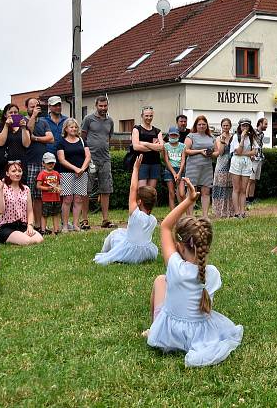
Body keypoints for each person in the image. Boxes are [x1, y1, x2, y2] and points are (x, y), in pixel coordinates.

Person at [144, 177, 243, 367]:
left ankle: (153, 328)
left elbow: (165, 226)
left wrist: (188, 201)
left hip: (170, 335)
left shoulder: (175, 266)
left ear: (180, 246)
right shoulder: (211, 272)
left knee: (160, 280)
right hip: (200, 335)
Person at [93, 155, 158, 265]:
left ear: (139, 201)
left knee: (115, 234)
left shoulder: (135, 214)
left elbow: (133, 188)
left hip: (130, 252)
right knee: (123, 232)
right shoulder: (153, 220)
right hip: (146, 252)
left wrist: (136, 169)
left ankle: (105, 252)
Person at [81, 96, 115, 229]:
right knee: (86, 190)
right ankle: (84, 220)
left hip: (105, 159)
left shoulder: (110, 121)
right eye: (100, 106)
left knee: (106, 189)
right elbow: (82, 138)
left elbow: (109, 137)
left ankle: (105, 220)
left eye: (105, 106)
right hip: (90, 159)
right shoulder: (88, 119)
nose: (103, 108)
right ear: (96, 105)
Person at [0, 161, 44, 246]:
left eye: (19, 171)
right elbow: (0, 211)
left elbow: (30, 211)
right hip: (6, 226)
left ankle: (19, 236)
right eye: (13, 171)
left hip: (22, 225)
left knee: (39, 239)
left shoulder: (26, 189)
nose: (17, 173)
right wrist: (0, 190)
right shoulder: (2, 187)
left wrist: (30, 225)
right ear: (7, 173)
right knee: (27, 241)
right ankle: (3, 236)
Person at [24, 98, 54, 230]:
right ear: (26, 108)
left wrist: (35, 138)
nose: (35, 108)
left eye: (37, 106)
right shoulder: (23, 121)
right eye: (32, 106)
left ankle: (39, 224)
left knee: (40, 196)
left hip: (42, 163)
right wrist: (33, 117)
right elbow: (28, 131)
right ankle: (30, 223)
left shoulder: (44, 122)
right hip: (29, 162)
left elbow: (51, 138)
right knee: (29, 195)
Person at [56, 118, 91, 231]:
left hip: (82, 173)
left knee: (79, 199)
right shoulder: (61, 142)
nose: (74, 129)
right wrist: (76, 169)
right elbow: (61, 159)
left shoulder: (81, 141)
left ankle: (76, 225)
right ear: (66, 129)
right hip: (66, 173)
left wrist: (81, 169)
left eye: (75, 127)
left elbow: (88, 156)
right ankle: (65, 225)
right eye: (71, 127)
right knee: (67, 199)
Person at [183, 115, 217, 217]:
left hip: (206, 167)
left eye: (204, 124)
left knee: (206, 191)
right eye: (199, 124)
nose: (202, 126)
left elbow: (217, 152)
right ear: (196, 125)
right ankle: (189, 216)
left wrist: (211, 154)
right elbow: (186, 151)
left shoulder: (211, 137)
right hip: (193, 167)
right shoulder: (191, 136)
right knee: (191, 192)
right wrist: (200, 151)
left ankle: (205, 216)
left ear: (207, 125)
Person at [229, 118, 257, 218]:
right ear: (240, 127)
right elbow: (237, 150)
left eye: (247, 126)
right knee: (236, 188)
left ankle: (242, 211)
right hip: (236, 162)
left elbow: (254, 152)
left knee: (243, 189)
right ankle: (237, 212)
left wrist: (244, 154)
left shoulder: (251, 137)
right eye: (243, 126)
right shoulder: (236, 137)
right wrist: (242, 138)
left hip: (246, 162)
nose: (245, 127)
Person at [0, 103, 30, 178]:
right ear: (5, 115)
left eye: (15, 112)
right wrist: (6, 126)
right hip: (3, 164)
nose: (13, 114)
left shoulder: (24, 126)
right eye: (10, 112)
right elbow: (0, 142)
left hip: (20, 164)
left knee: (20, 187)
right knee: (3, 187)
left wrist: (23, 128)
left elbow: (27, 144)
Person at [132, 106, 164, 189]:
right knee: (141, 190)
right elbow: (136, 147)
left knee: (151, 192)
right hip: (142, 163)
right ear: (142, 116)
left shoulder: (157, 131)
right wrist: (154, 147)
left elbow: (161, 147)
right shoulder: (137, 129)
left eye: (151, 116)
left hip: (155, 163)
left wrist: (145, 143)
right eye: (146, 116)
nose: (149, 118)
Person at [211, 118, 234, 218]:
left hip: (232, 165)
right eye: (224, 125)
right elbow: (220, 152)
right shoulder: (218, 138)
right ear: (221, 126)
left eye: (227, 125)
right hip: (221, 166)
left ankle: (231, 210)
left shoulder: (234, 137)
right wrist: (223, 140)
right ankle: (219, 211)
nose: (225, 127)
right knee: (221, 188)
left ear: (230, 126)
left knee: (231, 188)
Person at [36, 152, 62, 235]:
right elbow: (38, 186)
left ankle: (56, 230)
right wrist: (47, 188)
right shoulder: (42, 174)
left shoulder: (56, 173)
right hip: (46, 198)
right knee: (45, 215)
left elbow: (58, 184)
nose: (51, 164)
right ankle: (43, 230)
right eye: (48, 163)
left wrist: (59, 189)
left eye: (52, 163)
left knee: (56, 214)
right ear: (43, 163)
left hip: (56, 198)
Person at [246, 117, 268, 206]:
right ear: (260, 123)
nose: (266, 126)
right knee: (250, 179)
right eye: (265, 124)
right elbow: (249, 143)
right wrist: (251, 154)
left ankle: (251, 198)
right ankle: (246, 199)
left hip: (259, 158)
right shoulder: (253, 132)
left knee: (254, 180)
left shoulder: (262, 134)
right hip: (254, 158)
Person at [162, 126, 185, 209]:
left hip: (180, 170)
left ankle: (182, 212)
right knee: (171, 192)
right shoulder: (166, 146)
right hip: (169, 170)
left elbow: (183, 160)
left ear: (178, 136)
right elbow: (166, 160)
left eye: (175, 135)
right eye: (172, 135)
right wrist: (173, 172)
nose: (173, 137)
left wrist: (179, 173)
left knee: (182, 193)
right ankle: (172, 215)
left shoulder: (183, 146)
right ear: (168, 136)